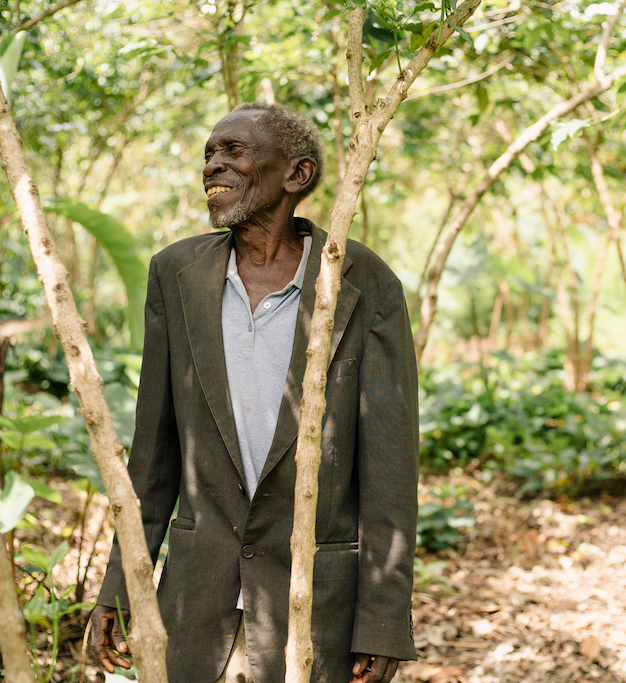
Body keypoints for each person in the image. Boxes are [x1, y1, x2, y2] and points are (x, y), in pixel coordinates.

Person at [88, 102, 419, 683]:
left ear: (297, 175)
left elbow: (390, 470)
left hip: (315, 605)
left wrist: (383, 618)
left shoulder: (364, 282)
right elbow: (155, 450)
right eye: (210, 154)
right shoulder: (176, 274)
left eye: (234, 151)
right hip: (196, 599)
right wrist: (122, 584)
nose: (214, 166)